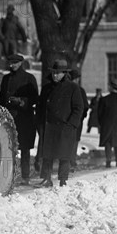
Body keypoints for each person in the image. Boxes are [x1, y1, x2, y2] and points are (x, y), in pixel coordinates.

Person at [36, 59, 84, 187]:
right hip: (49, 126)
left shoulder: (73, 88)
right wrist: (40, 124)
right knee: (47, 155)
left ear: (64, 73)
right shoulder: (47, 88)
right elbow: (40, 107)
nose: (55, 75)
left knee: (64, 155)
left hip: (65, 127)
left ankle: (63, 180)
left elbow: (78, 108)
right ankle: (46, 178)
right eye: (53, 73)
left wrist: (71, 124)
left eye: (58, 73)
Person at [0, 54, 38, 185]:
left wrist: (21, 101)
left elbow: (35, 99)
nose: (11, 65)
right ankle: (8, 177)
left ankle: (25, 177)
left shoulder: (29, 78)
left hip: (25, 118)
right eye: (10, 62)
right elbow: (1, 99)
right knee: (8, 148)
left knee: (25, 149)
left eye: (14, 63)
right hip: (9, 118)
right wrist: (0, 113)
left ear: (21, 63)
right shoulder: (6, 79)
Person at [69, 68, 89, 171]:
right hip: (77, 120)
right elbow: (85, 106)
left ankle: (68, 161)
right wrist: (82, 116)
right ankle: (71, 161)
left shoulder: (66, 88)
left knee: (68, 140)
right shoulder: (80, 90)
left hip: (67, 119)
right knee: (75, 140)